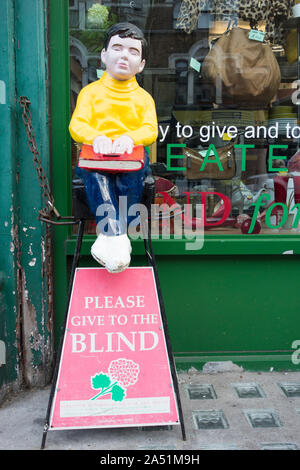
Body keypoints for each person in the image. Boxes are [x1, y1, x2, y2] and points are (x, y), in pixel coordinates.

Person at [69, 23, 158, 273]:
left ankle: (111, 237)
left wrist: (131, 137)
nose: (124, 55)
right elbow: (77, 124)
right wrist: (94, 136)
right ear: (104, 55)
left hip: (131, 159)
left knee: (131, 179)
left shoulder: (143, 98)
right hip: (95, 158)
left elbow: (151, 130)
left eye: (132, 51)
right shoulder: (90, 93)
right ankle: (118, 238)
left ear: (141, 64)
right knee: (95, 176)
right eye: (117, 48)